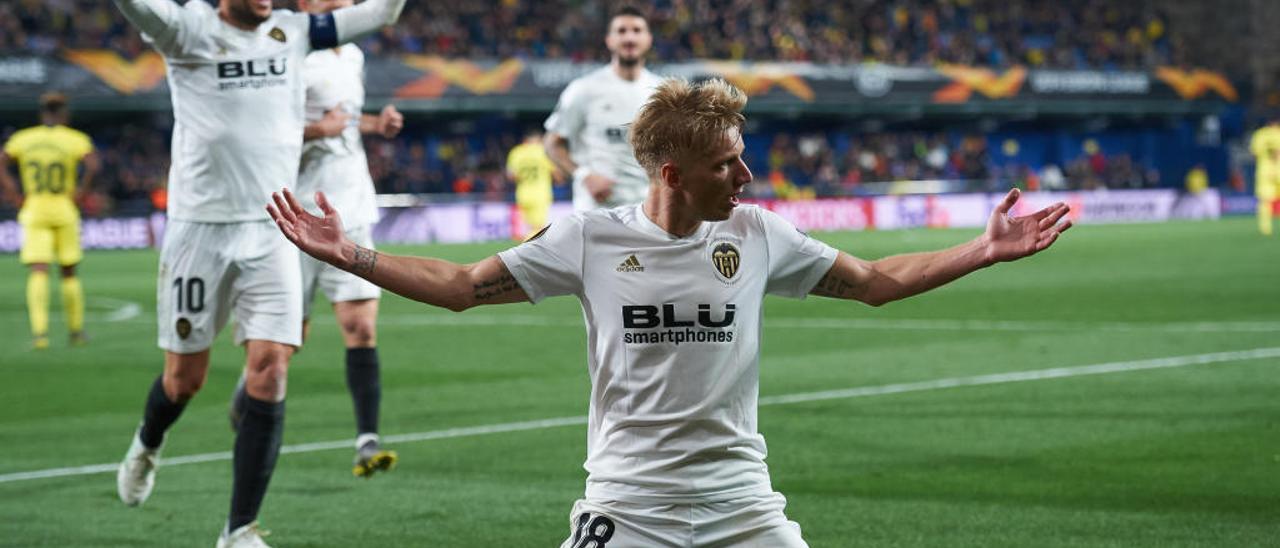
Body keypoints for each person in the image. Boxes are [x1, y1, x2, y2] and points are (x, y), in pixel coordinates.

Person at [268, 78, 1073, 547]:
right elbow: (458, 285)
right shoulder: (587, 239)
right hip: (629, 504)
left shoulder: (758, 233)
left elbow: (875, 280)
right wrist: (351, 256)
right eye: (727, 164)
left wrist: (982, 250)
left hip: (742, 505)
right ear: (672, 173)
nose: (747, 177)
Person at [108, 0, 406, 546]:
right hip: (200, 229)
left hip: (274, 227)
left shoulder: (293, 31)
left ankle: (238, 529)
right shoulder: (184, 29)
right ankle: (147, 444)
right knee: (184, 381)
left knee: (269, 370)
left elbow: (384, 13)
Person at [227, 0, 405, 479]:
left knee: (361, 327)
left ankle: (367, 440)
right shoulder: (288, 54)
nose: (345, 4)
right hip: (297, 214)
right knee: (290, 340)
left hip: (352, 208)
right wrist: (315, 130)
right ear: (306, 4)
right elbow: (258, 127)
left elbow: (344, 118)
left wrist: (373, 124)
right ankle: (251, 384)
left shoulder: (353, 56)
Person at [0, 92, 100, 350]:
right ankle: (76, 332)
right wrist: (81, 193)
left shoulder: (24, 139)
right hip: (64, 207)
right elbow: (93, 165)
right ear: (64, 113)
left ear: (41, 112)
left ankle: (40, 334)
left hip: (34, 207)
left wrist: (13, 193)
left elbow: (2, 162)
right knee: (68, 272)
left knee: (39, 270)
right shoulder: (74, 139)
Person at [543, 5, 662, 211]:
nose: (629, 38)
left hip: (650, 213)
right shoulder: (584, 89)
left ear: (648, 39)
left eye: (636, 30)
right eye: (621, 31)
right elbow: (552, 143)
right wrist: (584, 176)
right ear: (609, 40)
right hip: (596, 214)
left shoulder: (663, 92)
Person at [507, 128, 558, 239]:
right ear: (539, 139)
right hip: (540, 194)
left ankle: (526, 248)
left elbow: (511, 176)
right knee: (538, 228)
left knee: (530, 227)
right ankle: (527, 250)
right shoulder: (543, 151)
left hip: (523, 194)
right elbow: (555, 172)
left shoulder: (516, 152)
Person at [1248, 115, 1280, 235]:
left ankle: (1265, 228)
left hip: (1264, 170)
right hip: (1278, 169)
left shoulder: (1260, 134)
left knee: (1265, 201)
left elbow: (1254, 153)